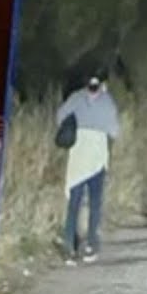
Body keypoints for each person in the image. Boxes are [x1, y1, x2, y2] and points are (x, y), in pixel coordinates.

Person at [53, 73, 120, 265]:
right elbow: (115, 131)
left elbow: (59, 117)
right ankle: (91, 244)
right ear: (102, 84)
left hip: (78, 153)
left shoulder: (76, 98)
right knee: (94, 202)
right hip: (97, 155)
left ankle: (69, 247)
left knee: (74, 201)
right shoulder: (108, 102)